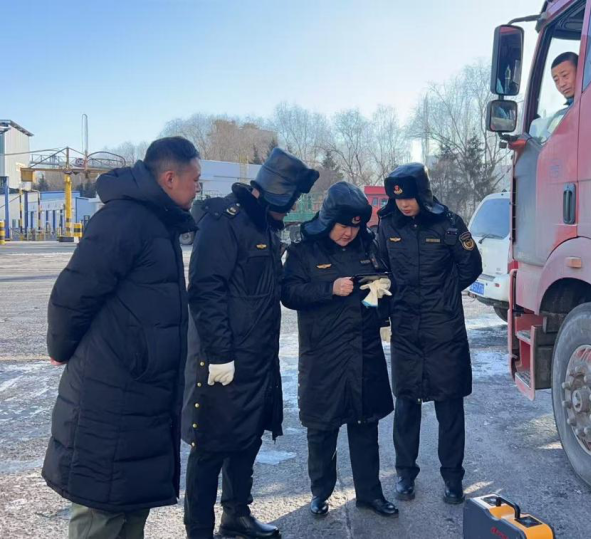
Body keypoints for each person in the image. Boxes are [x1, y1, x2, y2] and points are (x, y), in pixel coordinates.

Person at [42, 137, 201, 539]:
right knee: (101, 512)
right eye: (195, 180)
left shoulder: (157, 222)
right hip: (110, 397)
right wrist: (60, 348)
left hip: (141, 398)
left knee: (129, 508)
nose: (198, 188)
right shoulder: (124, 220)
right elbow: (73, 293)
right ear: (169, 178)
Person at [182, 148, 318, 539]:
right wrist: (220, 354)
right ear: (274, 194)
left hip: (258, 358)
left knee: (247, 438)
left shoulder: (264, 227)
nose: (289, 210)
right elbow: (205, 291)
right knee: (210, 446)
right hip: (223, 360)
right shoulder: (224, 223)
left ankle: (236, 515)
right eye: (289, 201)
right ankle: (198, 531)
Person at [281, 181, 398, 519]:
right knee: (322, 429)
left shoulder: (368, 245)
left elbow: (381, 294)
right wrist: (329, 288)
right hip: (324, 354)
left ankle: (370, 494)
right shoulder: (304, 250)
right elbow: (288, 293)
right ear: (328, 219)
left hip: (364, 351)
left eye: (355, 226)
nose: (349, 233)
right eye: (343, 225)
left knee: (365, 426)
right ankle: (320, 493)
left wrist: (376, 293)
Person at [376, 163, 482, 505]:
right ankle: (405, 475)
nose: (404, 204)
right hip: (406, 329)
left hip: (444, 328)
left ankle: (453, 478)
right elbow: (380, 269)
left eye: (409, 197)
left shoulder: (448, 222)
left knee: (449, 406)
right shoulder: (388, 225)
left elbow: (471, 265)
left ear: (422, 194)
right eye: (398, 198)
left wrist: (444, 295)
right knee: (406, 403)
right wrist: (384, 314)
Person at [531, 52, 578, 142]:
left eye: (565, 75)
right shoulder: (561, 117)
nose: (561, 84)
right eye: (556, 80)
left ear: (580, 71)